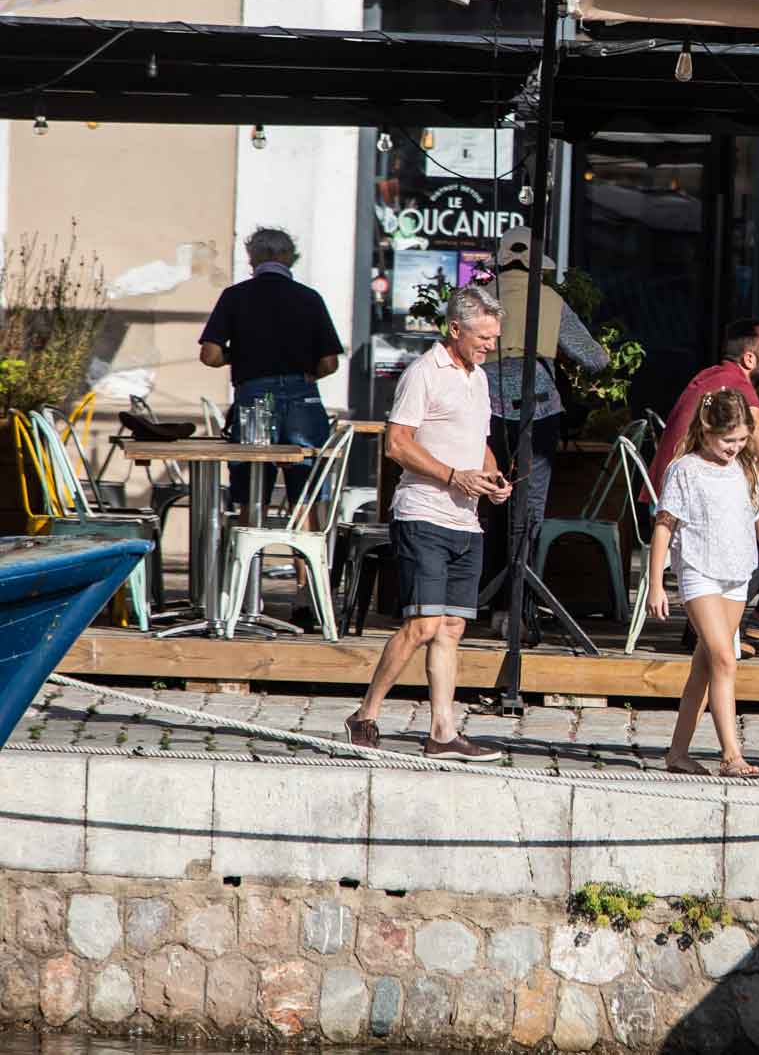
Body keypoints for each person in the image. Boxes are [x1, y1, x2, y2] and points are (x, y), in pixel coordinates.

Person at [345, 286, 514, 761]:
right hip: (422, 513)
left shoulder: (478, 377)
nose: (490, 345)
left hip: (467, 520)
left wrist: (493, 475)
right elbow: (397, 444)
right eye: (483, 336)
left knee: (452, 628)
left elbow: (476, 443)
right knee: (423, 624)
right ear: (455, 329)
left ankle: (442, 732)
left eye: (494, 337)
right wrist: (452, 476)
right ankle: (366, 714)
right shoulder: (424, 373)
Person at [644, 390, 759, 780]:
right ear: (706, 431)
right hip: (698, 569)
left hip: (736, 572)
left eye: (741, 441)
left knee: (705, 668)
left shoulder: (744, 467)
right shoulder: (685, 470)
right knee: (725, 658)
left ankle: (677, 753)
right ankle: (731, 754)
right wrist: (656, 584)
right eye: (728, 441)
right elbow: (664, 525)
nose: (734, 448)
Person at [649, 320, 759, 641]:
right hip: (686, 515)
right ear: (750, 359)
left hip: (671, 502)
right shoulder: (735, 387)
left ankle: (720, 621)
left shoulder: (712, 376)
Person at [480, 226, 607, 608]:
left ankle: (481, 594)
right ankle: (519, 602)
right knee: (529, 504)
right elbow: (596, 358)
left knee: (484, 499)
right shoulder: (550, 300)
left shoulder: (476, 299)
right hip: (539, 409)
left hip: (481, 410)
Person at [197, 226, 342, 509]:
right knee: (307, 498)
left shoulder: (234, 296)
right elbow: (329, 362)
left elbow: (210, 355)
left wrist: (237, 355)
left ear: (253, 258)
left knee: (250, 497)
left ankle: (248, 550)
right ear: (289, 258)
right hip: (303, 399)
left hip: (253, 401)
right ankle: (306, 553)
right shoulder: (309, 298)